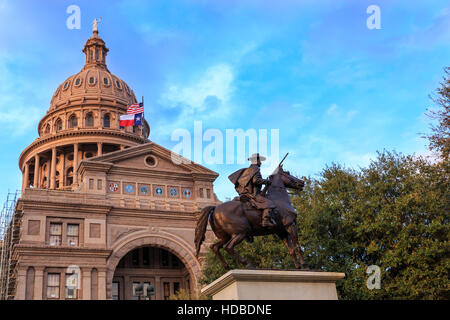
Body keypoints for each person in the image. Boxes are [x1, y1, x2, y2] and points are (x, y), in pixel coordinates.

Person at [228, 153, 277, 228]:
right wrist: (266, 181)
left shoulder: (248, 170)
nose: (260, 162)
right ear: (256, 161)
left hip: (246, 192)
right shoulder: (255, 168)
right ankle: (265, 220)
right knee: (269, 203)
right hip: (253, 194)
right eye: (259, 161)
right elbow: (256, 181)